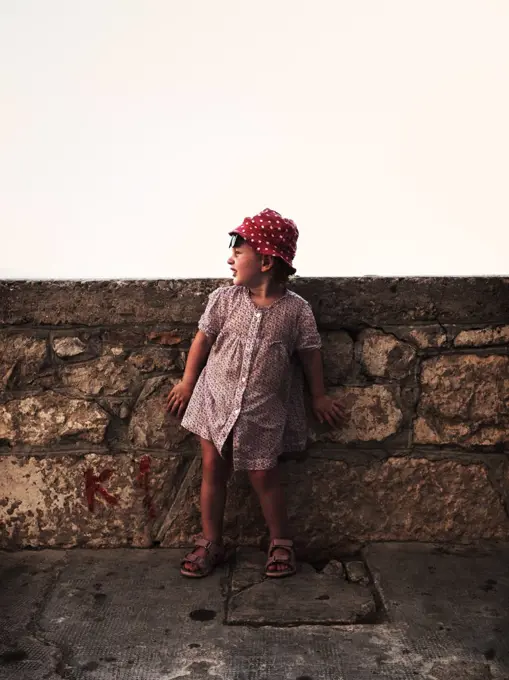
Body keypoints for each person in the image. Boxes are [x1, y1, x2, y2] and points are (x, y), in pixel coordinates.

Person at [166, 208, 345, 579]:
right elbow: (202, 340)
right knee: (213, 469)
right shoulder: (224, 300)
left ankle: (280, 541)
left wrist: (319, 397)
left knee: (265, 477)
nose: (230, 259)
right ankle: (210, 541)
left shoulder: (297, 311)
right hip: (215, 402)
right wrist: (187, 381)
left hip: (262, 412)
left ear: (265, 260)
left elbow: (310, 355)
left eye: (239, 252)